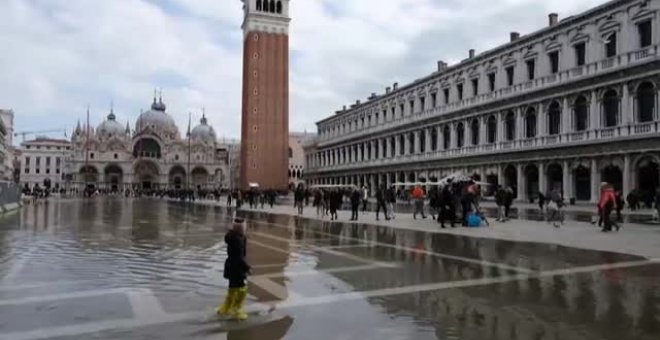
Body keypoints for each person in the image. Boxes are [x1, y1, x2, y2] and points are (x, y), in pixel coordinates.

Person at [217, 217, 251, 320]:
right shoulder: (238, 239)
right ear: (242, 228)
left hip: (230, 266)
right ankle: (236, 310)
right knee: (242, 289)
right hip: (237, 268)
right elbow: (240, 257)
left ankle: (225, 308)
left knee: (232, 288)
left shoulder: (232, 236)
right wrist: (247, 268)